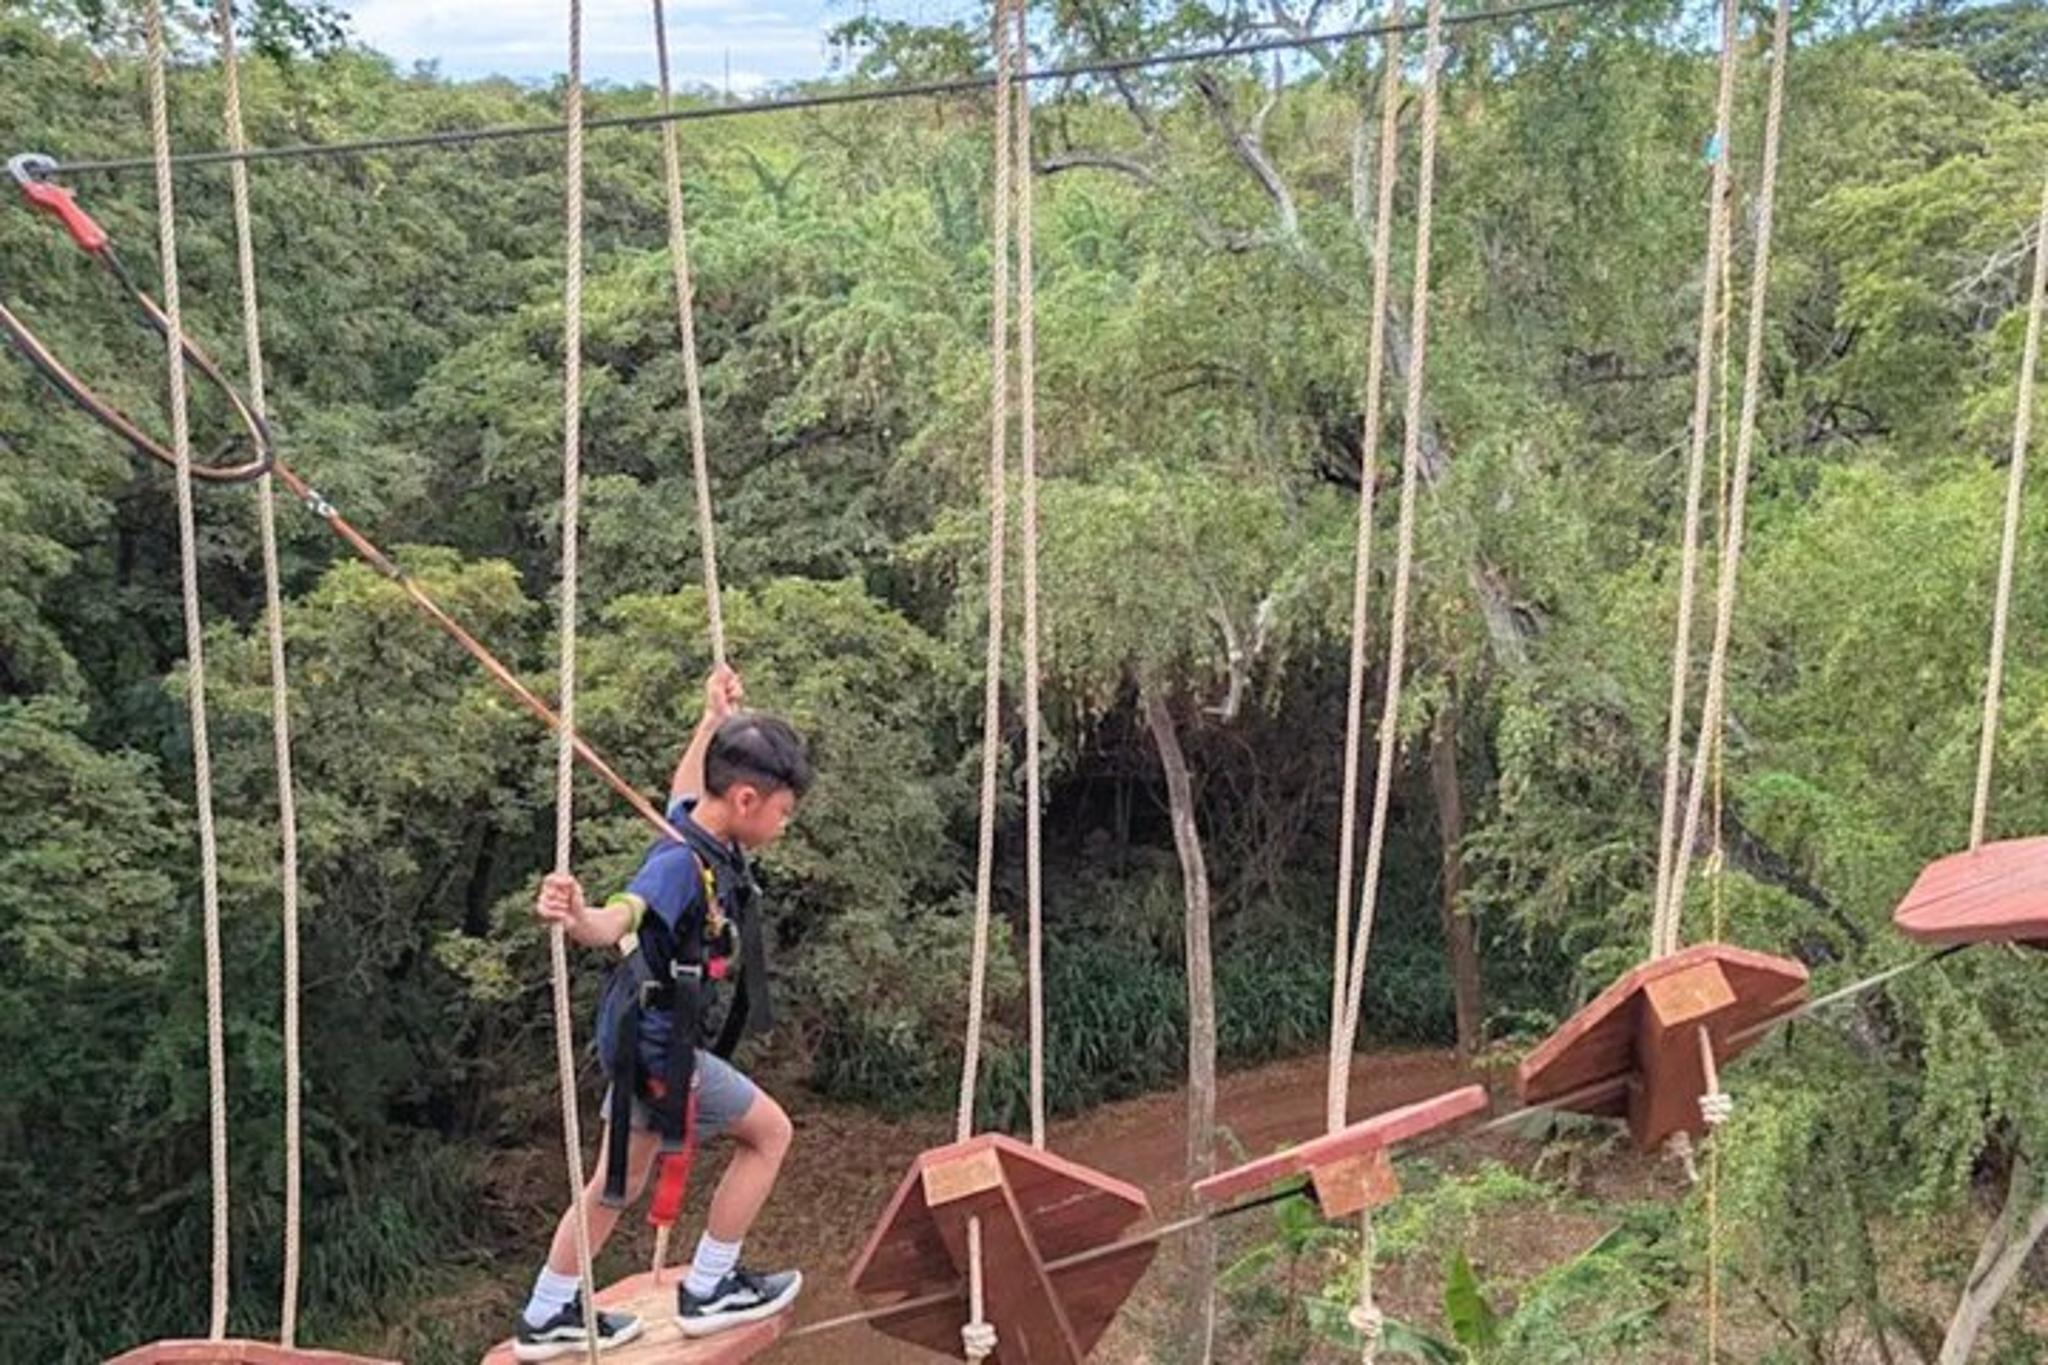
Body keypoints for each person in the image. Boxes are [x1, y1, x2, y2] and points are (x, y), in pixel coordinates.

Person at [514, 664, 812, 1361]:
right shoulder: (679, 865)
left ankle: (548, 1308)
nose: (784, 823)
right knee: (768, 1134)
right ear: (744, 798)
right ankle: (709, 1286)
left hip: (648, 1043)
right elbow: (622, 914)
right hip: (659, 1054)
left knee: (616, 1183)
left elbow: (686, 786)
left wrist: (710, 719)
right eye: (782, 810)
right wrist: (578, 912)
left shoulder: (704, 829)